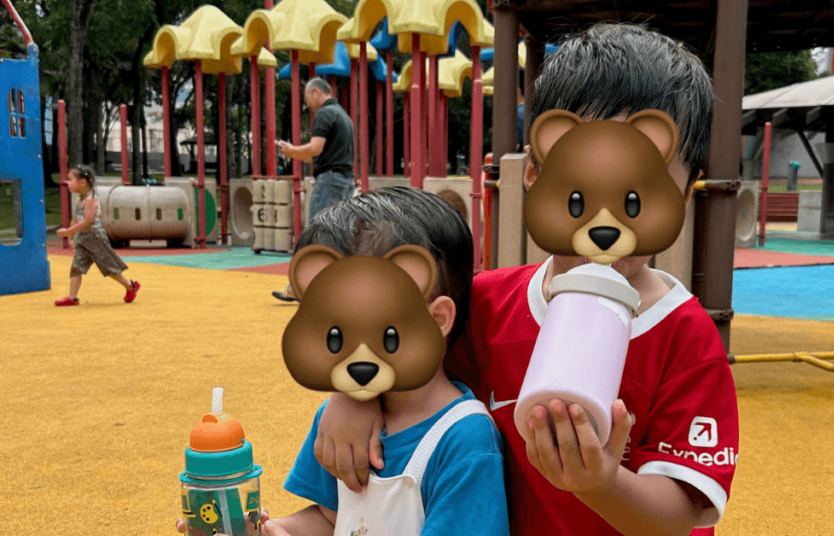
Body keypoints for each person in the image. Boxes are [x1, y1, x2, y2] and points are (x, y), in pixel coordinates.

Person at [315, 23, 739, 536]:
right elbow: (401, 356)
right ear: (536, 179)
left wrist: (603, 483)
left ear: (683, 199)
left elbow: (683, 509)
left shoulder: (685, 338)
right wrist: (355, 398)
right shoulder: (488, 305)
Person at [177, 187, 509, 536]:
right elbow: (331, 519)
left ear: (437, 319)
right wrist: (262, 531)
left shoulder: (465, 442)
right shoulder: (338, 419)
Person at [273, 76, 355, 302]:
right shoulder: (344, 117)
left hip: (328, 181)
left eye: (307, 97)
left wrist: (293, 151)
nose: (307, 103)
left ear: (317, 92)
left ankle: (297, 286)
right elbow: (325, 156)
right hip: (346, 182)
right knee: (339, 236)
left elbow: (316, 149)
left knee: (315, 233)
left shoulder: (324, 114)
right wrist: (294, 152)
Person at [54, 165, 140, 306]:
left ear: (82, 183)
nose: (67, 183)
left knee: (108, 267)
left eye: (70, 180)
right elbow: (75, 219)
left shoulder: (91, 200)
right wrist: (71, 237)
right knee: (77, 266)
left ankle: (130, 285)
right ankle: (72, 297)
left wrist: (68, 232)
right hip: (83, 239)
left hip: (95, 238)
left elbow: (87, 221)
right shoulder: (78, 200)